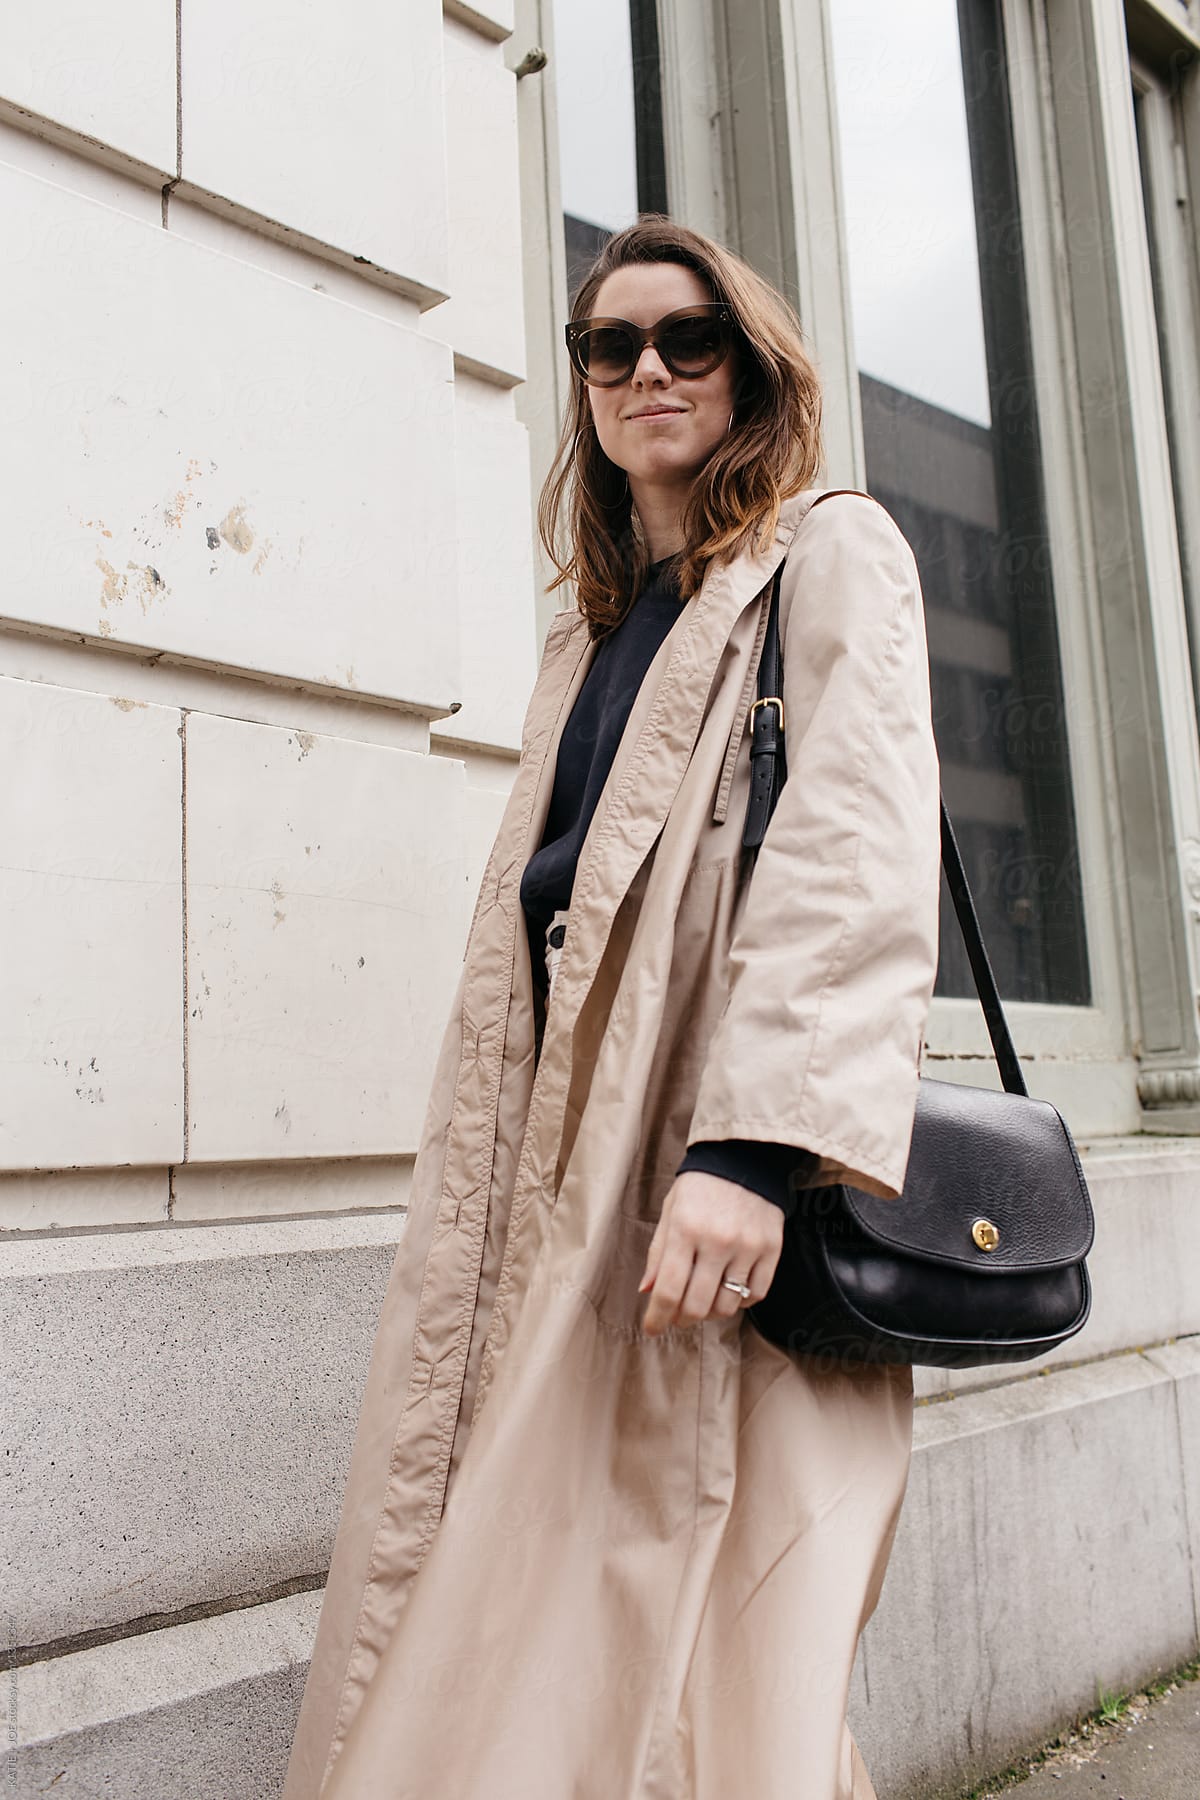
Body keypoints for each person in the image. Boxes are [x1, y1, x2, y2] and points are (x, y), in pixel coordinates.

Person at [282, 217, 941, 1800]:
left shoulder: (826, 555)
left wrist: (757, 1151)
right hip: (561, 1188)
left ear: (750, 366)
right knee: (564, 1619)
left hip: (707, 1184)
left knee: (703, 1639)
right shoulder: (592, 626)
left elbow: (858, 858)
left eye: (687, 338)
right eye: (609, 345)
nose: (647, 369)